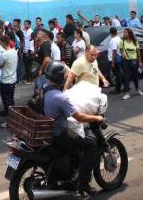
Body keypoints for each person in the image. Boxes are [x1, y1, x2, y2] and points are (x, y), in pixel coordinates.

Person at [42, 62, 103, 198]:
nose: (65, 78)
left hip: (49, 131)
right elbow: (79, 117)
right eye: (64, 76)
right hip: (58, 136)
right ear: (59, 78)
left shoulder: (45, 88)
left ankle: (71, 174)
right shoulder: (61, 98)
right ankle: (84, 184)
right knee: (91, 144)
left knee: (78, 141)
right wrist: (96, 117)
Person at [120, 29, 143, 100]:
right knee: (126, 76)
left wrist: (140, 62)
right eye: (124, 32)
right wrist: (122, 53)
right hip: (125, 61)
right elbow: (120, 49)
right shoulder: (122, 41)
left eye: (125, 32)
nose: (124, 33)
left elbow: (138, 52)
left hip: (134, 60)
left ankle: (137, 89)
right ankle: (127, 93)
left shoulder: (135, 41)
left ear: (129, 33)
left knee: (135, 76)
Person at [0, 33, 18, 119]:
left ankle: (10, 118)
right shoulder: (14, 51)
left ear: (3, 43)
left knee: (6, 101)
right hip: (13, 79)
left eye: (0, 42)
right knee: (11, 98)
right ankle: (9, 113)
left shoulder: (4, 54)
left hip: (6, 80)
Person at [107, 27, 123, 94]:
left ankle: (117, 89)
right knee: (119, 74)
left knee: (117, 74)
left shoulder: (113, 40)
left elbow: (114, 51)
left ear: (110, 33)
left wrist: (113, 62)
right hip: (118, 58)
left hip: (114, 59)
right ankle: (120, 87)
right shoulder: (119, 38)